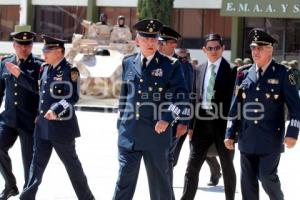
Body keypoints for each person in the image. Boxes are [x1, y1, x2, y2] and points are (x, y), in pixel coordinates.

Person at [7, 35, 94, 200]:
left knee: (73, 168)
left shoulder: (70, 71)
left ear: (60, 52)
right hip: (43, 127)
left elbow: (72, 97)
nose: (44, 52)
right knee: (36, 167)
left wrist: (55, 110)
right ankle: (26, 197)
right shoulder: (45, 69)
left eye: (48, 49)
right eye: (44, 49)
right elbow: (39, 91)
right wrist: (20, 75)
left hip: (62, 129)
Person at [113, 19, 189, 200]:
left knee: (160, 186)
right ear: (137, 40)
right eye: (145, 39)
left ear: (158, 41)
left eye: (153, 39)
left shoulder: (170, 65)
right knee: (123, 182)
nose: (149, 43)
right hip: (129, 134)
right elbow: (125, 95)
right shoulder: (128, 62)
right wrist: (120, 123)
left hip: (156, 135)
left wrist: (167, 118)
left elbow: (181, 97)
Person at [225, 29, 300, 200]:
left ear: (270, 49)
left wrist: (292, 134)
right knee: (248, 184)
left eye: (260, 48)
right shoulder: (243, 73)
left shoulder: (283, 73)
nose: (255, 52)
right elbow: (235, 106)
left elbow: (296, 108)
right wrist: (230, 133)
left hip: (271, 139)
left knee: (267, 177)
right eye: (253, 48)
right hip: (246, 137)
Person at [181, 33, 236, 200]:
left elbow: (235, 103)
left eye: (217, 48)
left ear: (222, 49)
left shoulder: (232, 70)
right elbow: (193, 98)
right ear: (204, 50)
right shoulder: (198, 69)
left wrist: (232, 131)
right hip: (201, 124)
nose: (213, 51)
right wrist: (190, 125)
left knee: (227, 166)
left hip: (222, 124)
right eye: (210, 48)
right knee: (192, 166)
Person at [0, 27, 43, 200]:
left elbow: (41, 92)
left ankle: (27, 195)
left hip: (29, 121)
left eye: (27, 44)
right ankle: (10, 185)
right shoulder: (5, 63)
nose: (23, 48)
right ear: (14, 45)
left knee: (29, 162)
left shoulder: (39, 66)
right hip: (9, 119)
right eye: (20, 44)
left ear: (32, 45)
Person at [158, 26, 193, 199]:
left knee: (167, 160)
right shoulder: (153, 62)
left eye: (173, 43)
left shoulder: (182, 65)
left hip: (173, 120)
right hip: (153, 120)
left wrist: (184, 121)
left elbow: (187, 96)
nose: (173, 46)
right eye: (170, 43)